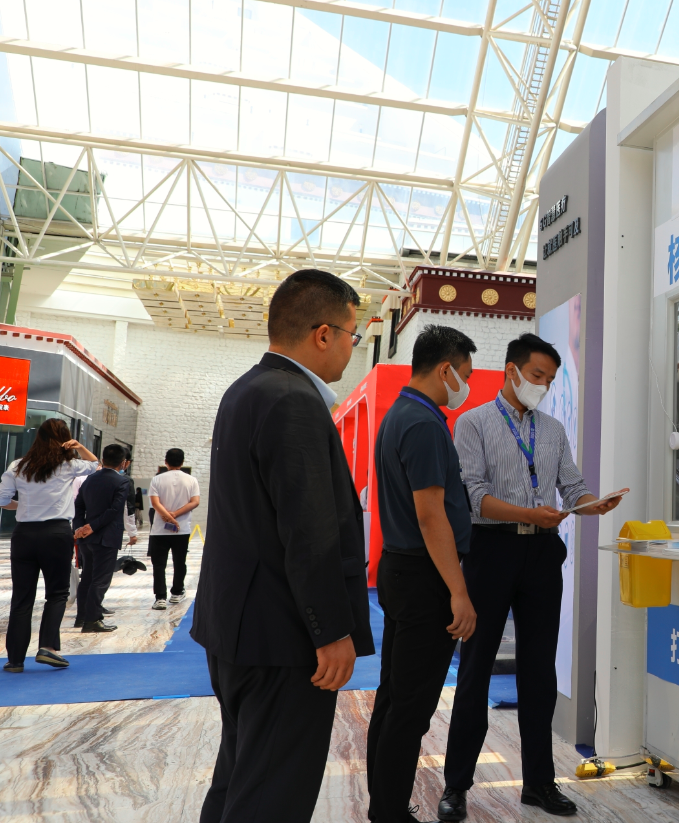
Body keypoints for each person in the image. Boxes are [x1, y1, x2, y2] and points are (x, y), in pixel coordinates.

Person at [190, 268, 375, 823]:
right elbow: (309, 530)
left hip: (238, 627)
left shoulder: (247, 389)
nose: (352, 348)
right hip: (282, 638)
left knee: (240, 778)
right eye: (353, 335)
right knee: (273, 795)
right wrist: (331, 631)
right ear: (324, 334)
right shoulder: (294, 399)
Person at [438, 333, 622, 822]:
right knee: (475, 668)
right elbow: (475, 496)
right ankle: (456, 785)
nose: (543, 385)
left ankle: (539, 783)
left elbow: (572, 486)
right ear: (512, 371)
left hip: (541, 554)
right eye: (537, 376)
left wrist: (592, 504)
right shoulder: (473, 423)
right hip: (491, 550)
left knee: (540, 672)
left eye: (551, 379)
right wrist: (528, 513)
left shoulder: (554, 429)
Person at [367, 325, 479, 823]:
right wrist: (458, 591)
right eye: (466, 375)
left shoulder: (400, 414)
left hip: (401, 568)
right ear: (445, 370)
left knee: (394, 698)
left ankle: (384, 805)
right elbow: (432, 517)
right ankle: (390, 812)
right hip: (424, 576)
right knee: (410, 708)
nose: (466, 385)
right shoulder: (425, 425)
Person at [1, 419, 99, 673]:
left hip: (24, 534)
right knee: (57, 593)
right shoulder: (68, 465)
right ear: (66, 440)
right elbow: (95, 465)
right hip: (56, 534)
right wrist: (79, 447)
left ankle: (15, 660)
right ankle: (47, 647)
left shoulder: (17, 465)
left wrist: (23, 505)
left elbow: (2, 499)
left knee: (22, 597)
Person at [71, 444, 136, 632]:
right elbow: (115, 510)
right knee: (100, 580)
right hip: (106, 537)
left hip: (86, 538)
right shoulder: (122, 482)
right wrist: (92, 527)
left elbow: (78, 506)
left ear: (102, 459)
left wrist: (80, 527)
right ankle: (92, 620)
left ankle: (81, 617)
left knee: (88, 577)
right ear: (123, 462)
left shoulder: (89, 479)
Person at [147, 448, 200, 610]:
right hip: (181, 529)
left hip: (159, 530)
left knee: (159, 564)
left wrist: (167, 516)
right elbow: (195, 502)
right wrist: (175, 516)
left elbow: (155, 503)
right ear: (182, 462)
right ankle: (177, 593)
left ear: (166, 462)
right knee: (180, 562)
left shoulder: (157, 479)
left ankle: (160, 598)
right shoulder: (191, 480)